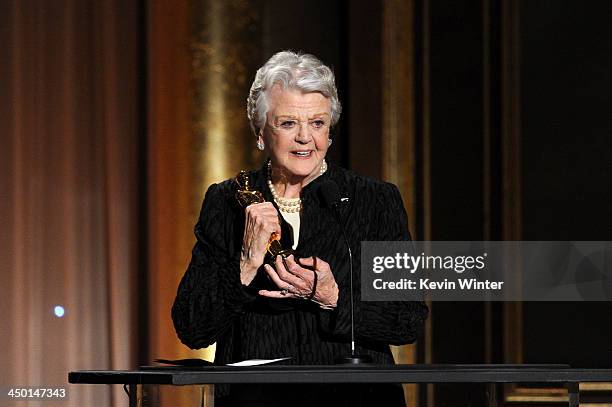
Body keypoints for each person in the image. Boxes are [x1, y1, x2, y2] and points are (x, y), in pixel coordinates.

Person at [172, 51, 428, 407]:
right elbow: (192, 327)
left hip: (356, 400)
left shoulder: (374, 200)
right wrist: (245, 264)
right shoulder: (226, 202)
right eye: (288, 123)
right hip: (258, 400)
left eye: (318, 123)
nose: (306, 138)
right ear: (260, 131)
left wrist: (334, 299)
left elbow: (408, 318)